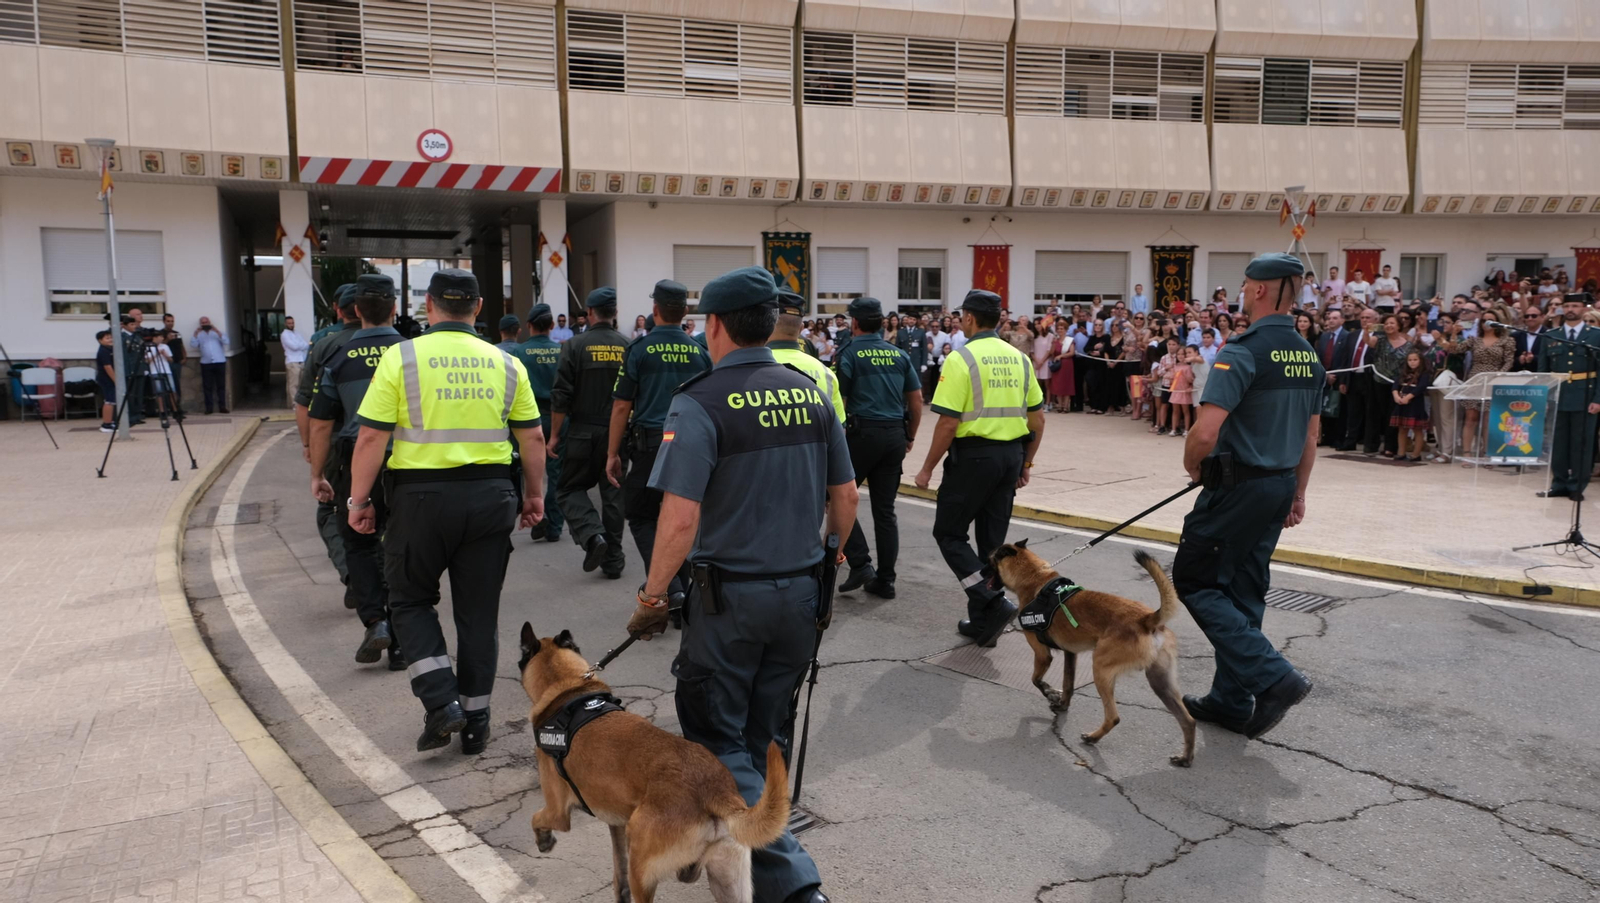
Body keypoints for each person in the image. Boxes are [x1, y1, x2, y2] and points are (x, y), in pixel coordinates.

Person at [623, 266, 855, 903]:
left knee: (720, 746)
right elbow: (846, 497)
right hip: (800, 596)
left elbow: (679, 520)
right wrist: (829, 559)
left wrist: (652, 597)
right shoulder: (811, 391)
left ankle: (796, 887)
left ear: (715, 326)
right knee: (765, 735)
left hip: (728, 603)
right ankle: (740, 857)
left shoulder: (698, 400)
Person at [348, 268, 546, 754]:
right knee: (478, 615)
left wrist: (359, 500)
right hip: (491, 498)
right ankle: (476, 723)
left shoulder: (402, 357)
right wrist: (535, 495)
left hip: (420, 500)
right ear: (479, 308)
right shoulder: (507, 363)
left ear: (429, 306)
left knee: (409, 600)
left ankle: (441, 702)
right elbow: (533, 438)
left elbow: (371, 437)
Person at [1177, 253, 1322, 740]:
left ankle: (1274, 678)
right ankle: (1231, 699)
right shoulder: (1308, 354)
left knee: (1195, 580)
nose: (1241, 292)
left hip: (1238, 487)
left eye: (1244, 285)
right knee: (1244, 589)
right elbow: (1311, 436)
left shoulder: (1241, 350)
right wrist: (1298, 493)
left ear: (1259, 289)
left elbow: (1206, 431)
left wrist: (1193, 464)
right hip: (1279, 484)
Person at [913, 289, 1046, 648]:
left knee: (949, 534)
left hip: (973, 458)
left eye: (962, 316)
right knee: (991, 544)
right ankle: (984, 623)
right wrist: (1026, 462)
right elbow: (1038, 419)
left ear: (970, 318)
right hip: (1010, 456)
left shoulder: (961, 358)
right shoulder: (1020, 359)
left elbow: (947, 424)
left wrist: (926, 468)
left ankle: (991, 600)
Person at [306, 275, 407, 672]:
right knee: (401, 544)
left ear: (356, 310)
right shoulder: (412, 352)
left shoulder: (337, 356)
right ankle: (401, 641)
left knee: (358, 542)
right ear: (394, 309)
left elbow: (320, 424)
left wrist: (318, 473)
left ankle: (375, 619)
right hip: (408, 459)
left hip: (355, 460)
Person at [606, 280, 711, 612]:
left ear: (655, 310)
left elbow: (621, 405)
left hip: (651, 446)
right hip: (691, 446)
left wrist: (612, 453)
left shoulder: (639, 349)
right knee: (683, 518)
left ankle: (673, 589)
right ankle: (681, 592)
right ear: (685, 312)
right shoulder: (700, 351)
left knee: (641, 516)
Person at [834, 297, 922, 600]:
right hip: (894, 434)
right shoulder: (899, 354)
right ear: (881, 322)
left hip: (861, 435)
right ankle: (886, 581)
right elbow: (916, 401)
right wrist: (910, 435)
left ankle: (861, 563)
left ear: (855, 323)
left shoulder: (849, 354)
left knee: (835, 497)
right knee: (885, 511)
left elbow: (841, 403)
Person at [550, 288, 628, 578]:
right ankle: (614, 561)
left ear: (590, 313)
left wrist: (555, 435)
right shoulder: (628, 345)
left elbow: (561, 395)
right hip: (617, 431)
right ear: (615, 313)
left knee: (568, 488)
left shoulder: (575, 345)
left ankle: (593, 535)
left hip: (582, 431)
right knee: (613, 495)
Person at [295, 284, 360, 590]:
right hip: (387, 443)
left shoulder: (324, 343)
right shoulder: (396, 343)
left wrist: (309, 446)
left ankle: (352, 575)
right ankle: (377, 577)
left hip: (335, 443)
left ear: (338, 309)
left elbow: (305, 403)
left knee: (331, 508)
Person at [1538, 294, 1600, 501]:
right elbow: (1543, 371)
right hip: (1558, 395)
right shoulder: (1551, 335)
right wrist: (1544, 398)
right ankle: (1559, 483)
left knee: (1581, 443)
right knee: (1558, 443)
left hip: (1585, 395)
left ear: (1584, 309)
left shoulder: (1596, 335)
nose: (1570, 309)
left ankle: (1576, 486)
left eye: (1575, 305)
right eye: (1567, 306)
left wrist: (1598, 399)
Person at [515, 303, 567, 542]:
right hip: (557, 418)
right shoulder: (562, 351)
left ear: (529, 326)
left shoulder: (519, 352)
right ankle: (554, 526)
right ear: (552, 325)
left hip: (526, 420)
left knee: (525, 469)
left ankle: (533, 514)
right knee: (556, 473)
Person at [766, 290, 847, 421]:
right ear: (801, 329)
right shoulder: (826, 374)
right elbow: (839, 427)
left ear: (768, 325)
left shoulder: (751, 368)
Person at [1388, 351, 1432, 463]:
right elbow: (1395, 385)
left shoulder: (1424, 374)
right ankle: (1401, 453)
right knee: (1402, 428)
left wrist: (1408, 397)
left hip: (1415, 404)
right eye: (1410, 360)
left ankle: (1416, 454)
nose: (1412, 362)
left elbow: (1421, 387)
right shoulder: (1403, 373)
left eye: (1415, 360)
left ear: (1421, 361)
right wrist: (1396, 396)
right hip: (1401, 403)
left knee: (1417, 429)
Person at [190, 316, 230, 414]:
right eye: (203, 323)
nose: (205, 324)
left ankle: (222, 407)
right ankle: (209, 408)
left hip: (219, 361)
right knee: (207, 386)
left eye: (206, 322)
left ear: (209, 322)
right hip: (206, 363)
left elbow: (226, 341)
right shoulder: (199, 334)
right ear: (200, 324)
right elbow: (193, 345)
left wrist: (216, 331)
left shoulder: (217, 332)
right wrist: (195, 334)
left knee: (221, 385)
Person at [120, 311, 148, 425]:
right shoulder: (122, 337)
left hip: (139, 368)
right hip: (130, 369)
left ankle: (137, 415)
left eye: (134, 324)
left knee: (139, 393)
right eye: (131, 325)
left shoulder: (137, 336)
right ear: (124, 326)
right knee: (131, 394)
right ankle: (130, 416)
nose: (134, 327)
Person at [281, 315, 310, 409]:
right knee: (293, 384)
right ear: (285, 324)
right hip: (292, 361)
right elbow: (294, 347)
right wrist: (300, 345)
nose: (291, 325)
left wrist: (300, 345)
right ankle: (294, 404)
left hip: (301, 360)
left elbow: (306, 344)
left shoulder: (297, 333)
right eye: (289, 323)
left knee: (301, 384)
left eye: (292, 323)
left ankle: (299, 403)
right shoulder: (284, 334)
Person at [1167, 345, 1195, 436]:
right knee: (1175, 411)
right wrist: (1171, 378)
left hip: (1184, 391)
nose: (1180, 356)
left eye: (1182, 354)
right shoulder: (1175, 366)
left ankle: (1186, 430)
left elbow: (1191, 380)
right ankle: (1174, 429)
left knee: (1185, 411)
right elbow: (1172, 381)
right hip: (1176, 391)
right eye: (1178, 354)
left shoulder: (1188, 367)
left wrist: (1185, 375)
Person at [162, 311, 187, 406]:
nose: (170, 323)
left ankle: (177, 406)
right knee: (169, 385)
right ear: (164, 322)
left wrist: (184, 357)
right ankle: (169, 406)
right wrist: (168, 339)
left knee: (177, 384)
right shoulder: (161, 333)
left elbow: (181, 345)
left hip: (177, 362)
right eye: (168, 321)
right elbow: (159, 346)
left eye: (172, 321)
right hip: (167, 363)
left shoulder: (177, 333)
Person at [95, 330, 117, 433]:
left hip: (109, 378)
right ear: (100, 340)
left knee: (112, 400)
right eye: (107, 338)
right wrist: (115, 380)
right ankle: (106, 424)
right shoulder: (103, 351)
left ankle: (111, 421)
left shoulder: (110, 349)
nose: (110, 340)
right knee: (109, 400)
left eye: (111, 337)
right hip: (106, 379)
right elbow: (107, 367)